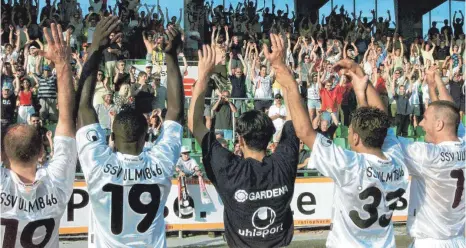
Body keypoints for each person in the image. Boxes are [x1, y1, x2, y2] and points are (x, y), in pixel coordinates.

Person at [264, 34, 408, 247]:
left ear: (356, 138)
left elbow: (304, 131)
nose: (348, 133)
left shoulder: (350, 165)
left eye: (350, 130)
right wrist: (360, 79)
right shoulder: (397, 160)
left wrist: (285, 75)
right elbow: (379, 119)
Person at [76, 17, 184, 247]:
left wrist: (95, 48)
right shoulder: (161, 162)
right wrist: (171, 56)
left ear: (111, 138)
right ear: (146, 138)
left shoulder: (98, 166)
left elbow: (83, 106)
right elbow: (175, 109)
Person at [188, 44, 299, 248]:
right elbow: (294, 119)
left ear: (240, 140)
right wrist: (281, 68)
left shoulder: (228, 168)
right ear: (269, 136)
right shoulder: (284, 161)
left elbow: (195, 125)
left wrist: (203, 75)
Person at [0, 23, 77, 247]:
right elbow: (65, 121)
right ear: (43, 151)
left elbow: (64, 122)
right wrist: (62, 65)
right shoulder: (57, 183)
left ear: (3, 155)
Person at [383, 66, 466, 248]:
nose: (420, 123)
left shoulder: (428, 157)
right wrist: (434, 83)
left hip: (430, 242)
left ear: (438, 124)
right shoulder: (464, 142)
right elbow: (449, 111)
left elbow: (385, 136)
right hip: (459, 240)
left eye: (425, 118)